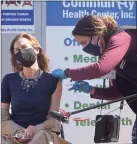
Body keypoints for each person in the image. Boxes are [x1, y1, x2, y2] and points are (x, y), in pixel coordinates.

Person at [52, 15, 137, 143]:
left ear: (96, 34)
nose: (84, 48)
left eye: (83, 42)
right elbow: (119, 92)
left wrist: (68, 73)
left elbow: (101, 68)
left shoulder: (121, 38)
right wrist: (91, 90)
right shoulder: (110, 53)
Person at [1, 33, 71, 144]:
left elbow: (53, 119)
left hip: (42, 134)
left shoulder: (53, 81)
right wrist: (19, 132)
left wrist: (36, 129)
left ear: (37, 50)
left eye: (24, 48)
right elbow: (2, 115)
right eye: (17, 50)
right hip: (15, 135)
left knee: (40, 138)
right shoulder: (9, 80)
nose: (21, 52)